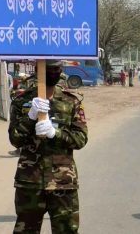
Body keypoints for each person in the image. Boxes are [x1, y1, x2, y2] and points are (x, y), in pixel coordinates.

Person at [8, 60, 88, 233]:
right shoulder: (22, 102)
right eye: (49, 69)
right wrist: (30, 117)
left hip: (63, 182)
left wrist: (55, 133)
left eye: (56, 69)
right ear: (38, 70)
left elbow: (81, 139)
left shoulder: (71, 101)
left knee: (67, 230)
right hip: (29, 181)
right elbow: (15, 140)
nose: (53, 72)